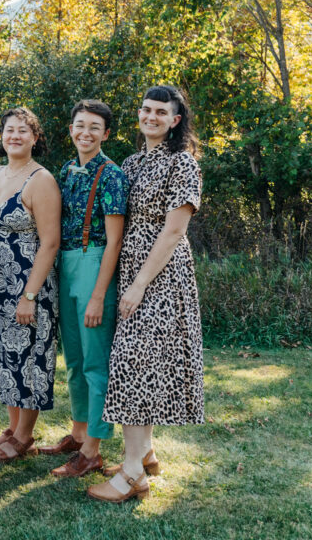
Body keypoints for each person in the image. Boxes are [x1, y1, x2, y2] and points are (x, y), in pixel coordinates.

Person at [88, 85, 204, 503]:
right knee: (141, 361)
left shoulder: (181, 164)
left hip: (161, 275)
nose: (150, 116)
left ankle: (133, 473)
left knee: (133, 363)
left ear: (175, 121)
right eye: (145, 109)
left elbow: (174, 230)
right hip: (130, 270)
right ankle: (146, 452)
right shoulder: (133, 162)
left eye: (160, 112)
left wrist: (138, 285)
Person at [37, 100, 129, 477]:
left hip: (94, 266)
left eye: (94, 127)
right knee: (73, 359)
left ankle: (93, 448)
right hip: (67, 265)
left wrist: (97, 295)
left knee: (94, 362)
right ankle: (77, 434)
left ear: (106, 133)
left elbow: (114, 242)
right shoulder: (67, 169)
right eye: (79, 125)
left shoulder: (112, 175)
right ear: (71, 130)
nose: (85, 133)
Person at [0, 107, 61, 462]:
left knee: (28, 356)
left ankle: (24, 436)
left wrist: (29, 295)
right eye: (9, 130)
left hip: (27, 283)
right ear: (2, 136)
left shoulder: (41, 180)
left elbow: (51, 241)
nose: (15, 136)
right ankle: (12, 428)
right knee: (4, 355)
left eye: (23, 131)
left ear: (35, 138)